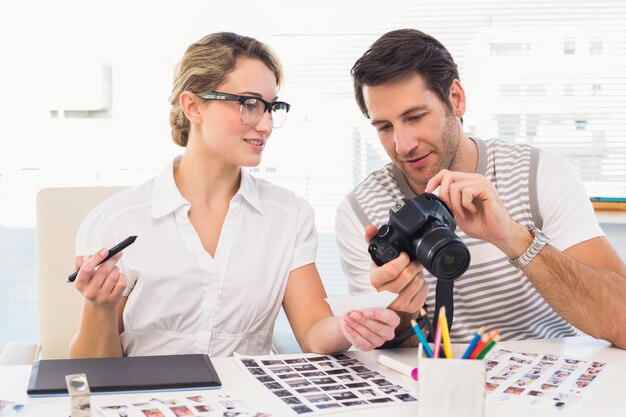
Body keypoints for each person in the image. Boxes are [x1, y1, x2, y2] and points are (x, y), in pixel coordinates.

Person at [69, 32, 399, 358]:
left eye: (271, 107)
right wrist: (99, 309)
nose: (266, 125)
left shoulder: (288, 216)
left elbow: (314, 331)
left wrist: (351, 326)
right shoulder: (115, 221)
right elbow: (90, 373)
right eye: (250, 104)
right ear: (193, 106)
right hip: (150, 405)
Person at [335, 29, 626, 349]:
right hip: (435, 387)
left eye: (415, 117)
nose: (403, 145)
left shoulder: (539, 175)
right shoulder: (361, 211)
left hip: (545, 385)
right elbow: (393, 354)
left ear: (456, 99)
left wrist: (514, 238)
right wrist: (397, 314)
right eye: (385, 127)